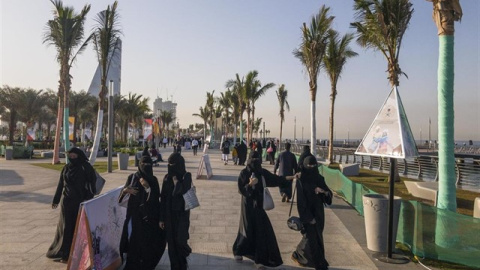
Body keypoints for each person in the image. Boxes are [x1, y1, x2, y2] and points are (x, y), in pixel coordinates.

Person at [232, 151, 296, 269]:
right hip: (247, 206)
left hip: (259, 206)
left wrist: (291, 177)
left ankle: (259, 259)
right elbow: (241, 190)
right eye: (253, 159)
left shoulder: (262, 173)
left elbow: (277, 179)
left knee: (261, 231)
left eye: (257, 159)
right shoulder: (244, 173)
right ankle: (239, 250)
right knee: (247, 229)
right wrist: (250, 185)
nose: (255, 162)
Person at [46, 147, 96, 263]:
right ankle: (64, 253)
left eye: (74, 156)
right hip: (67, 202)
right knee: (65, 227)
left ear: (79, 156)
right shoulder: (67, 168)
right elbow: (60, 184)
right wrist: (56, 200)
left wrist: (88, 198)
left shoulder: (85, 167)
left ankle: (76, 253)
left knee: (77, 227)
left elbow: (92, 183)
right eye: (70, 156)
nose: (72, 158)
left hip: (80, 202)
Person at [118, 155, 166, 270]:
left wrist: (147, 188)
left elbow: (156, 199)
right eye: (144, 164)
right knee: (133, 242)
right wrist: (126, 191)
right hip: (134, 215)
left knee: (147, 243)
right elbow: (122, 196)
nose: (146, 167)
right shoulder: (132, 177)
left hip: (149, 217)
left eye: (149, 164)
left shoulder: (153, 180)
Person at [292, 156, 332, 270]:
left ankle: (299, 254)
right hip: (307, 213)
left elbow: (328, 196)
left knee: (316, 237)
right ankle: (319, 264)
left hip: (319, 213)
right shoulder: (301, 180)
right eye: (309, 166)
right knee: (312, 238)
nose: (311, 168)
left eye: (313, 166)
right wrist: (308, 217)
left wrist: (323, 192)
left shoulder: (319, 178)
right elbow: (301, 201)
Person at [160, 153, 193, 270]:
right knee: (171, 243)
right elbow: (163, 198)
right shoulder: (166, 177)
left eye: (173, 164)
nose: (170, 167)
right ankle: (174, 267)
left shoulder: (186, 176)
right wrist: (161, 218)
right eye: (169, 164)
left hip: (182, 215)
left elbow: (182, 191)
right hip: (169, 215)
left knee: (180, 241)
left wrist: (176, 183)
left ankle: (182, 264)